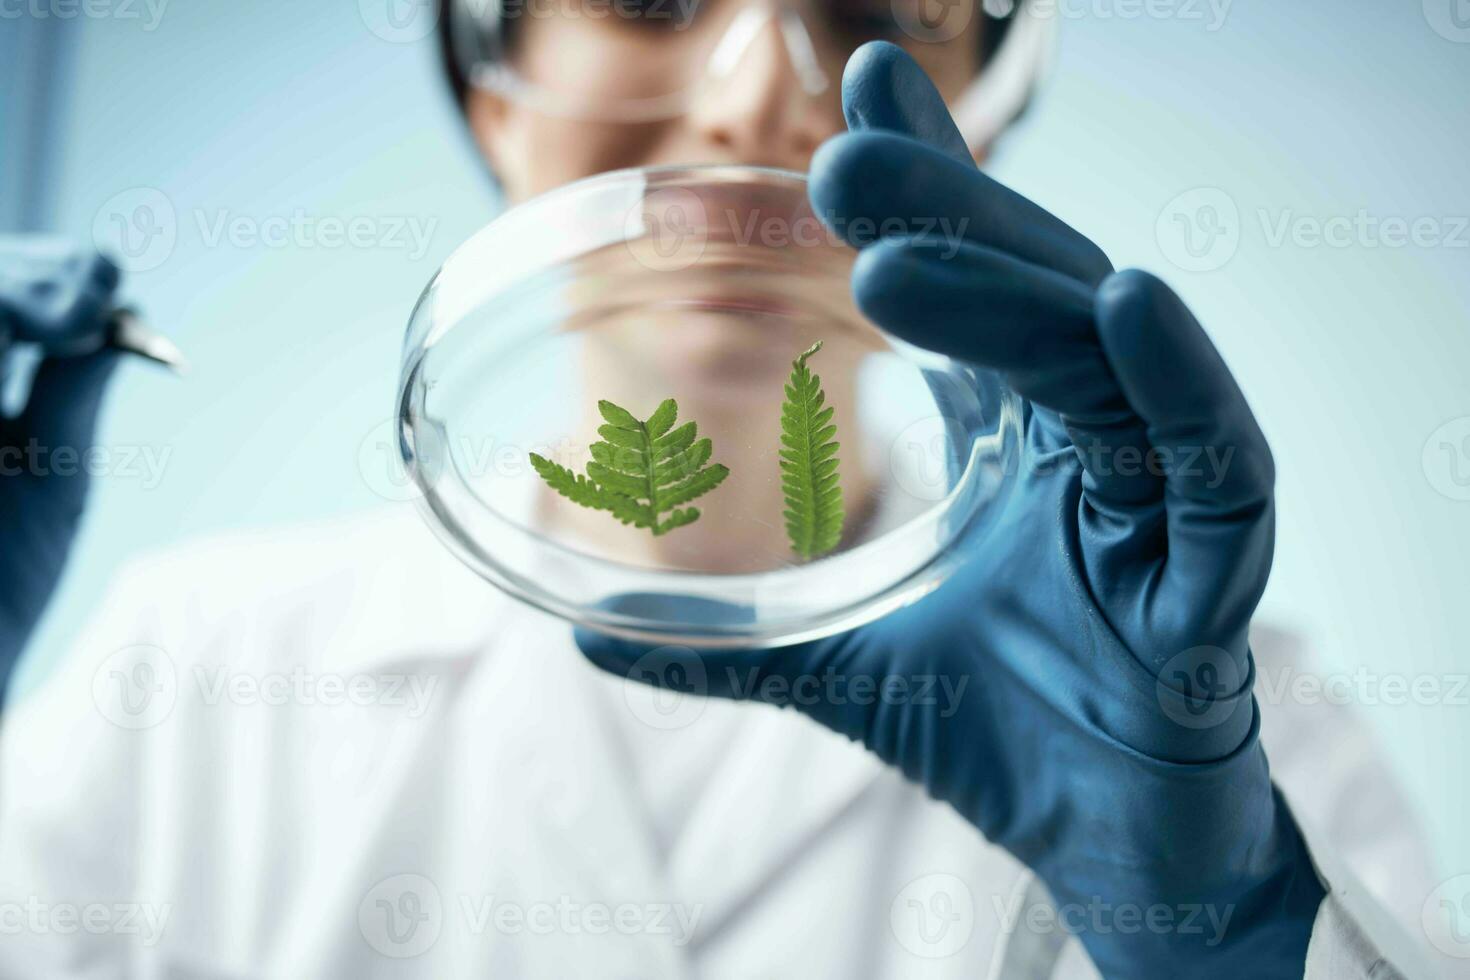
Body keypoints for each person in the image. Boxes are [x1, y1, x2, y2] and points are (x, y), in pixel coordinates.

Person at [0, 2, 1445, 976]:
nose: (758, 88)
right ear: (487, 87)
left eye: (870, 13)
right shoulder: (194, 681)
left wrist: (1235, 936)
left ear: (977, 132)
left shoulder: (1223, 733)